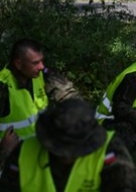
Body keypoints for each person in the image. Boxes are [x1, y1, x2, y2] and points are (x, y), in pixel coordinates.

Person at [0, 98, 136, 191]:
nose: (66, 155)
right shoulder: (23, 152)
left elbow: (126, 187)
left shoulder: (110, 149)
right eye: (61, 147)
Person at [0, 38, 79, 170]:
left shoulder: (41, 75)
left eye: (42, 61)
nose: (41, 66)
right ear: (19, 64)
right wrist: (4, 148)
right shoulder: (3, 87)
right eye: (35, 63)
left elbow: (69, 95)